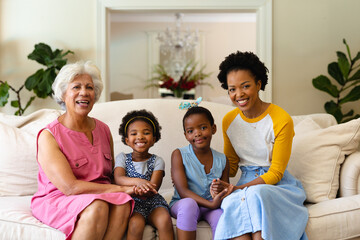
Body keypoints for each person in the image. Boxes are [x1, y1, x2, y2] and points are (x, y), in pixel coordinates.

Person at [31, 61, 135, 240]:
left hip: (98, 193)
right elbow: (69, 187)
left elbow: (109, 175)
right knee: (99, 206)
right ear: (63, 94)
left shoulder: (103, 129)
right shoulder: (49, 136)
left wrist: (133, 185)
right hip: (59, 198)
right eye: (76, 87)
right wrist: (120, 189)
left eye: (89, 87)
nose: (84, 92)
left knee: (123, 203)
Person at [211, 51, 308, 240]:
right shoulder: (229, 120)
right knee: (231, 203)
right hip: (246, 184)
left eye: (245, 86)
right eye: (232, 89)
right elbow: (230, 167)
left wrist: (239, 189)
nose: (239, 94)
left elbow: (276, 173)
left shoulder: (281, 119)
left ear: (258, 84)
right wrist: (211, 175)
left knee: (255, 195)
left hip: (276, 186)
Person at [170, 105, 230, 240]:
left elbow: (225, 189)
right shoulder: (179, 154)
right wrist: (211, 204)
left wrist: (220, 191)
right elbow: (183, 191)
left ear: (213, 128)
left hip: (211, 206)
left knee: (222, 216)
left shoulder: (223, 159)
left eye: (203, 128)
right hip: (183, 203)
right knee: (189, 204)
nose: (197, 133)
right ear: (186, 135)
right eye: (190, 131)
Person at [114, 109, 174, 240]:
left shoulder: (157, 160)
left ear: (153, 139)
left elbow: (154, 188)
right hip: (133, 203)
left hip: (153, 202)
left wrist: (143, 188)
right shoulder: (122, 158)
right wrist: (138, 182)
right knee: (135, 224)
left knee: (164, 220)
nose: (140, 137)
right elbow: (118, 178)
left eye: (146, 133)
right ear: (127, 140)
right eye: (134, 133)